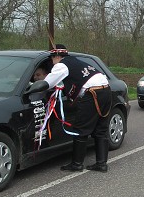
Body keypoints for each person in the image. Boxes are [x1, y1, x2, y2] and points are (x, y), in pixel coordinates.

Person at [32, 44, 112, 173]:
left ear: (57, 56)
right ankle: (101, 164)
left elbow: (47, 83)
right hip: (106, 91)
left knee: (80, 129)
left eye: (52, 58)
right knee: (100, 129)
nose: (52, 61)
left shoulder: (61, 65)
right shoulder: (76, 61)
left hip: (92, 94)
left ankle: (77, 164)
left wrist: (33, 86)